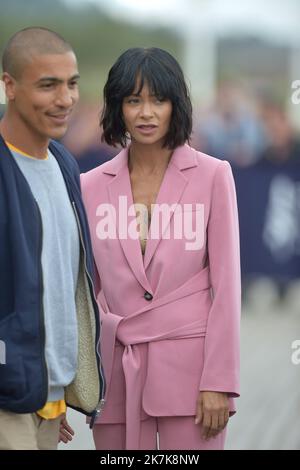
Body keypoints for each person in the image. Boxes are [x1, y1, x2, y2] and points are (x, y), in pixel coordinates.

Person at [81, 47, 240, 450]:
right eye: (133, 100)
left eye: (158, 100)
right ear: (118, 107)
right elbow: (81, 294)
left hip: (193, 380)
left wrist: (219, 382)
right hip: (115, 375)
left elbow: (226, 288)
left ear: (176, 105)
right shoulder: (89, 185)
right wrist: (72, 385)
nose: (146, 113)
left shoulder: (213, 175)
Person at [0, 27, 105, 450]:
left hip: (49, 396)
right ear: (9, 85)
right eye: (48, 85)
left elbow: (66, 280)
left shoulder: (64, 161)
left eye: (72, 83)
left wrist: (55, 391)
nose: (65, 99)